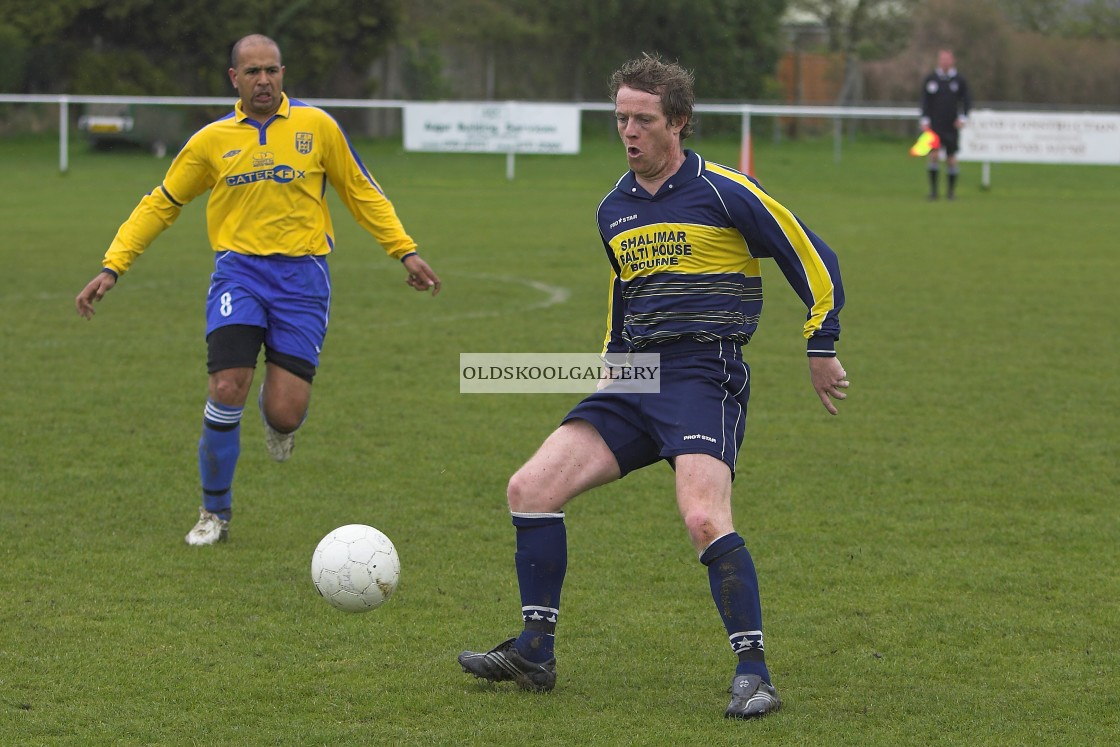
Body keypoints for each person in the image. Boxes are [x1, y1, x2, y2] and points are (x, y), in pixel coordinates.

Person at [458, 54, 849, 720]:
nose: (630, 131)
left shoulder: (724, 191)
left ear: (678, 122)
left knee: (702, 515)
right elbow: (624, 293)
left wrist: (820, 341)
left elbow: (808, 252)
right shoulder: (613, 208)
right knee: (530, 488)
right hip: (636, 375)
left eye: (643, 119)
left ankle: (754, 672)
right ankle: (534, 649)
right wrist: (611, 360)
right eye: (621, 119)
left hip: (704, 373)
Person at [74, 34, 440, 546]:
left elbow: (362, 192)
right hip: (238, 274)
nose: (263, 80)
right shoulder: (211, 141)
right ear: (234, 79)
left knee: (285, 411)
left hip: (303, 280)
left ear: (283, 74)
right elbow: (162, 203)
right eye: (252, 72)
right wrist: (113, 266)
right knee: (227, 387)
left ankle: (280, 424)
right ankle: (214, 513)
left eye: (271, 70)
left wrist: (404, 249)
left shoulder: (318, 127)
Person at [920, 49, 971, 200]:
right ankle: (934, 191)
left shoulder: (959, 80)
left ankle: (951, 192)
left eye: (947, 59)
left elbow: (967, 101)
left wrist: (963, 118)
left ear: (953, 61)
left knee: (951, 159)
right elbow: (925, 101)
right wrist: (925, 120)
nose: (945, 62)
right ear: (938, 60)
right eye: (942, 59)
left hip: (951, 126)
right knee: (933, 156)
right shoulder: (931, 79)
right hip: (934, 126)